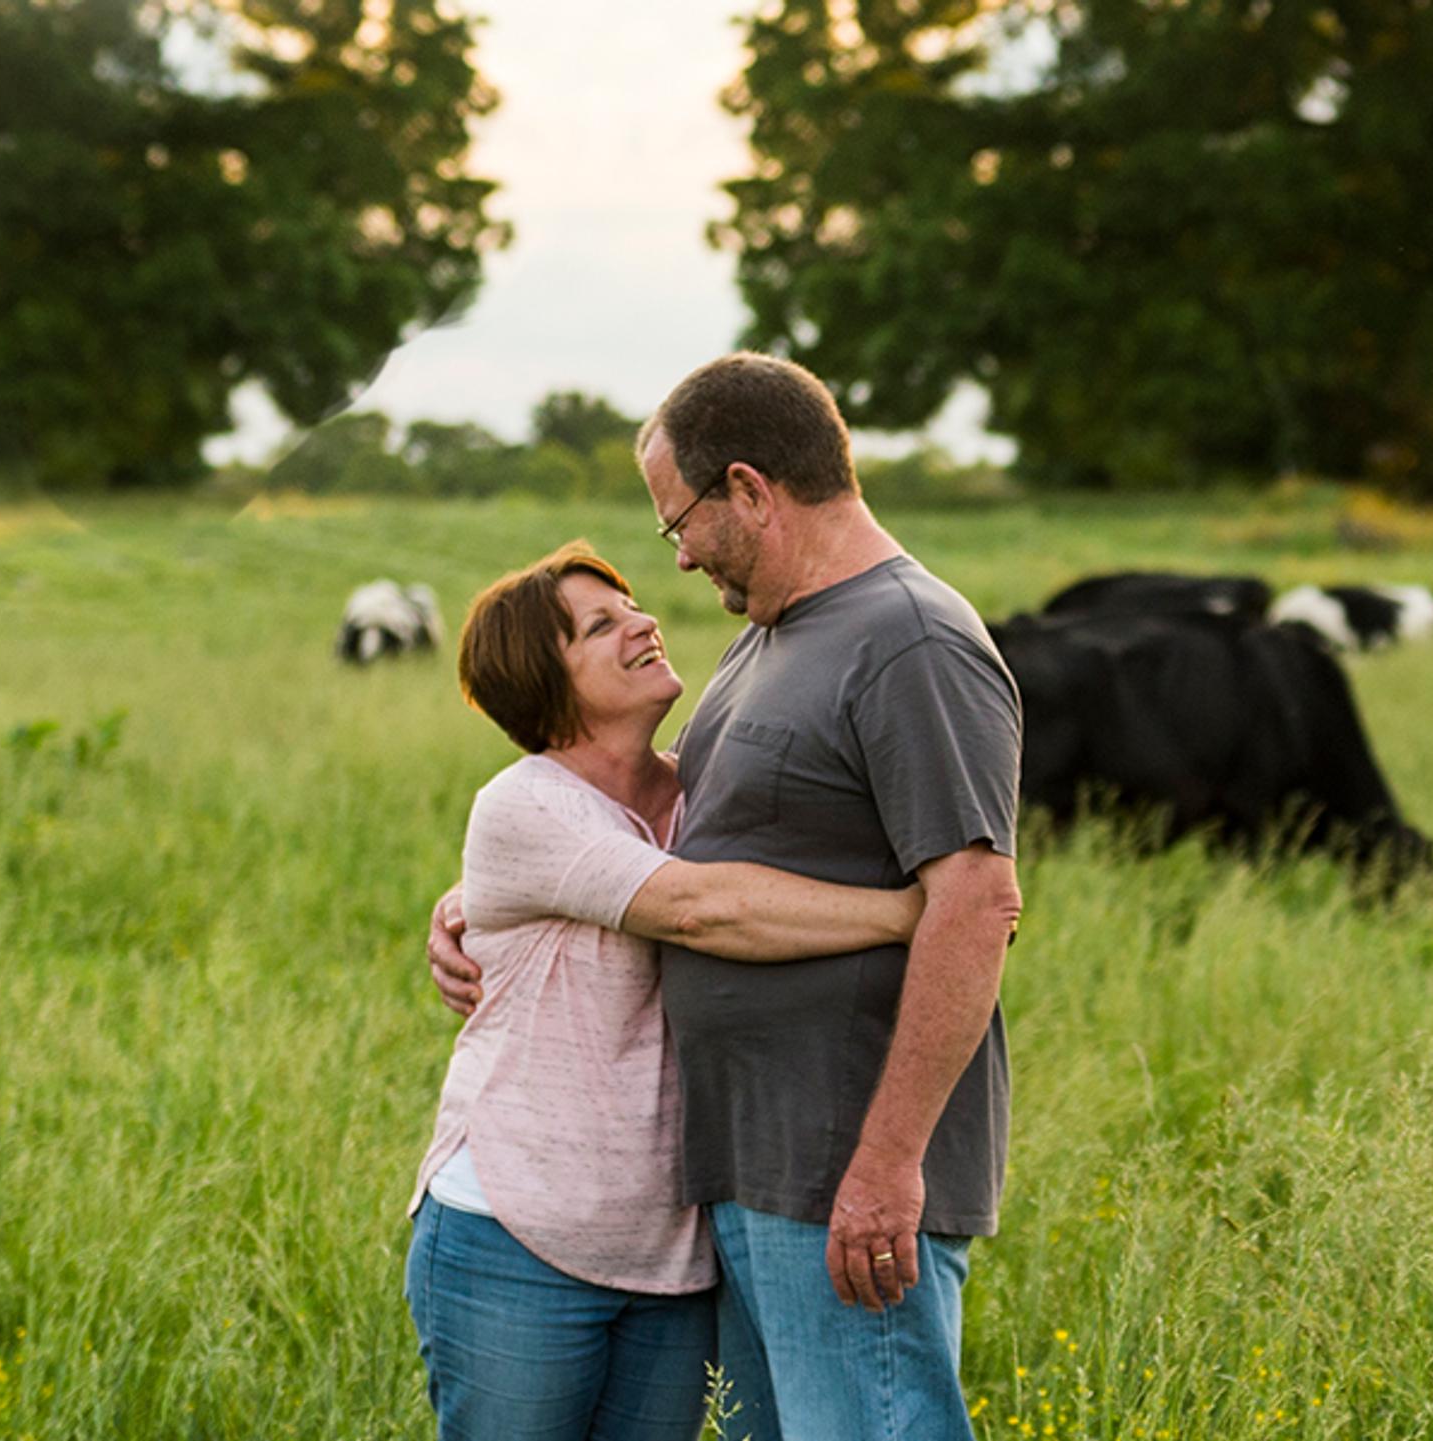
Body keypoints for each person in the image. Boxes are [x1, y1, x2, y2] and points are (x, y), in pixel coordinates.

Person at [429, 353, 1024, 1441]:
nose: (682, 555)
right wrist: (479, 901)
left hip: (844, 1166)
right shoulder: (772, 634)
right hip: (747, 1173)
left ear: (749, 489)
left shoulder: (912, 640)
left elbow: (976, 902)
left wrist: (888, 1165)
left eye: (679, 525)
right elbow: (660, 843)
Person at [411, 541, 932, 1441]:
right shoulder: (524, 804)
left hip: (671, 1255)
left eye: (634, 607)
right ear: (545, 677)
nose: (644, 623)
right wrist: (914, 914)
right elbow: (697, 909)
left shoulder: (706, 786)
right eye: (600, 626)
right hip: (515, 1232)